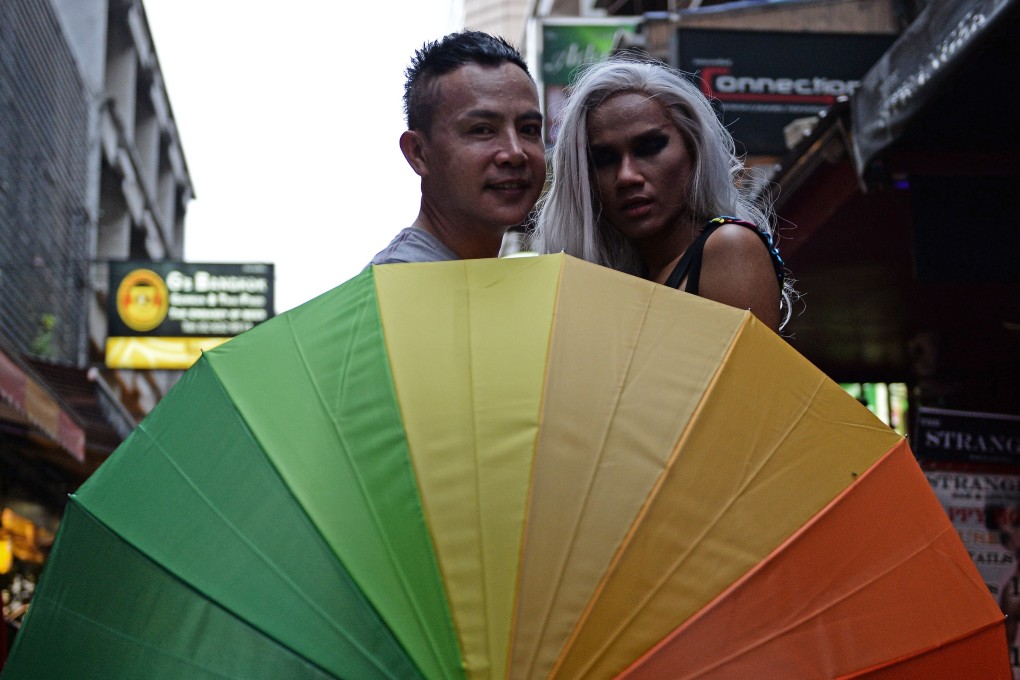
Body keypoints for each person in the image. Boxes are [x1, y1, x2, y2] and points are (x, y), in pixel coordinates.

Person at [533, 56, 791, 331]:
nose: (627, 176)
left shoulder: (729, 247)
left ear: (693, 150)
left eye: (649, 147)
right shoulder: (627, 276)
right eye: (604, 159)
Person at [370, 31, 546, 265]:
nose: (515, 153)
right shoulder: (392, 288)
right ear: (418, 153)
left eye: (529, 129)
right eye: (482, 130)